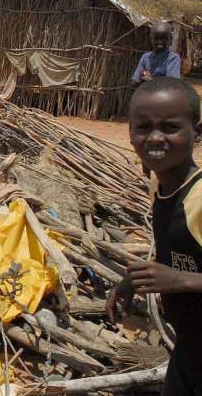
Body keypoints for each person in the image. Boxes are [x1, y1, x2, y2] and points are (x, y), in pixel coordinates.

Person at [107, 77, 202, 395]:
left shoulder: (200, 199)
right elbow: (178, 249)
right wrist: (133, 279)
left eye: (170, 127)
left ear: (197, 132)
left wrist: (181, 280)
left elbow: (181, 273)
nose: (155, 138)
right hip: (191, 347)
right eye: (143, 127)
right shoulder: (161, 186)